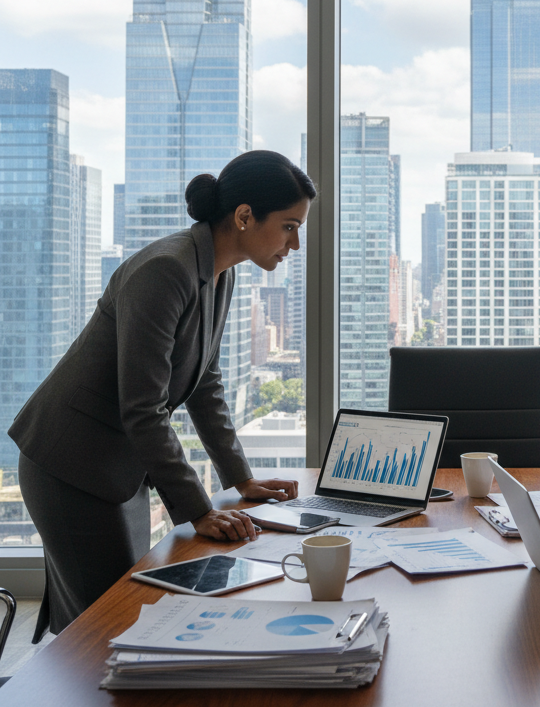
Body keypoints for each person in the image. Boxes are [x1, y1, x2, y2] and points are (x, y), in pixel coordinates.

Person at [10, 150, 317, 638]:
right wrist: (199, 511)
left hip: (117, 466)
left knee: (123, 615)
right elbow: (143, 408)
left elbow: (205, 382)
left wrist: (241, 479)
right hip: (70, 464)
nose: (295, 243)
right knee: (101, 629)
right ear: (243, 217)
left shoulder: (220, 271)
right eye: (288, 226)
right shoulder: (166, 270)